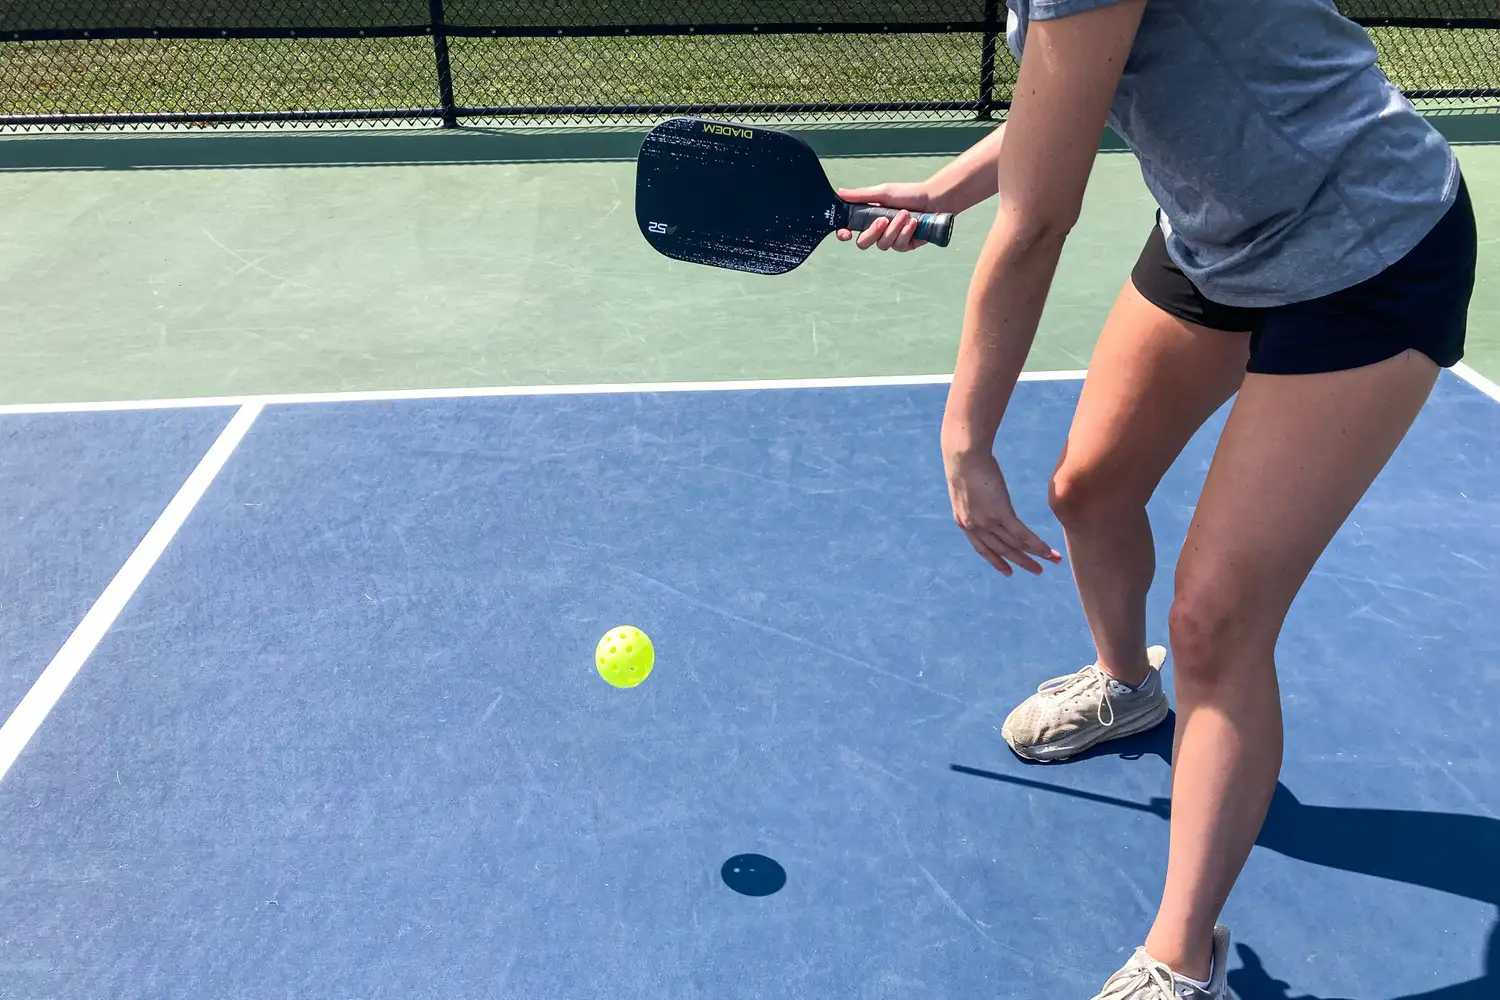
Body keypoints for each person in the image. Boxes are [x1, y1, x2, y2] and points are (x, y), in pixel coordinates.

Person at [834, 0, 1476, 997]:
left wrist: (966, 440)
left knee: (1215, 622)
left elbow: (1039, 222)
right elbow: (1074, 87)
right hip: (1220, 234)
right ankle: (1129, 688)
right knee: (1089, 489)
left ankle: (1182, 958)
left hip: (1363, 247)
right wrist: (942, 189)